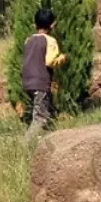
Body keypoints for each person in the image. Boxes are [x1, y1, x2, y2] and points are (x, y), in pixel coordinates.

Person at [22, 8, 67, 141]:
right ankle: (24, 146)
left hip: (27, 83)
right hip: (40, 83)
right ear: (53, 24)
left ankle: (51, 141)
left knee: (46, 113)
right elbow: (50, 61)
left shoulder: (28, 40)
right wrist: (63, 58)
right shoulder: (50, 41)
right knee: (40, 118)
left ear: (35, 25)